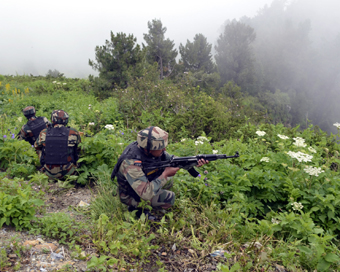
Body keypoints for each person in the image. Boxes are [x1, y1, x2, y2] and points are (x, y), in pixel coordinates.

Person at [111, 126, 208, 218]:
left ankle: (147, 203)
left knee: (169, 182)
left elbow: (172, 159)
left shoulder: (149, 150)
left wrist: (193, 162)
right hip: (129, 195)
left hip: (141, 184)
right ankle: (137, 209)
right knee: (169, 198)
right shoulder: (130, 163)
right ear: (148, 149)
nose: (164, 149)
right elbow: (146, 193)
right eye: (160, 148)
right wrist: (165, 174)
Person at [34, 110, 81, 180]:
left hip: (48, 174)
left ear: (53, 120)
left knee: (39, 149)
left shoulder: (44, 132)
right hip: (69, 173)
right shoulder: (73, 132)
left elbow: (36, 146)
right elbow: (79, 149)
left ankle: (44, 167)